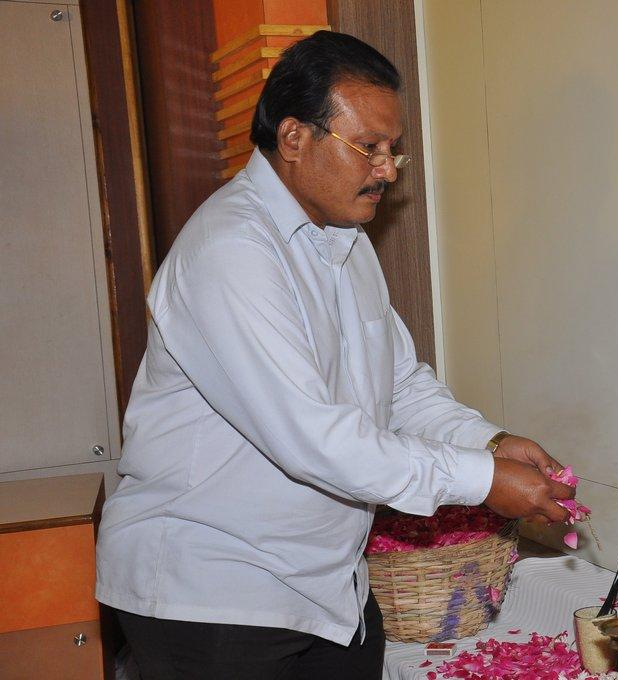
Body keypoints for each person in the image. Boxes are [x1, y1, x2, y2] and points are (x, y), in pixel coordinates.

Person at [94, 32, 574, 680]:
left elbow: (398, 386)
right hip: (215, 594)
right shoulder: (231, 250)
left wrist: (488, 441)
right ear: (294, 138)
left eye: (393, 150)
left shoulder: (345, 239)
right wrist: (482, 481)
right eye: (369, 148)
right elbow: (315, 439)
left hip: (328, 588)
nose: (388, 170)